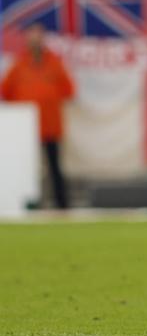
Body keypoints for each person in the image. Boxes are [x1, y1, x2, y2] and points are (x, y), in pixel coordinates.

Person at [1, 22, 76, 209]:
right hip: (25, 129)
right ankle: (28, 203)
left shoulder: (54, 63)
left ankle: (62, 204)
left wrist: (47, 99)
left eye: (38, 35)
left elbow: (69, 90)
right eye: (31, 35)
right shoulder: (19, 64)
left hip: (50, 125)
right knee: (26, 167)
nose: (35, 39)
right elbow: (5, 91)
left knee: (54, 166)